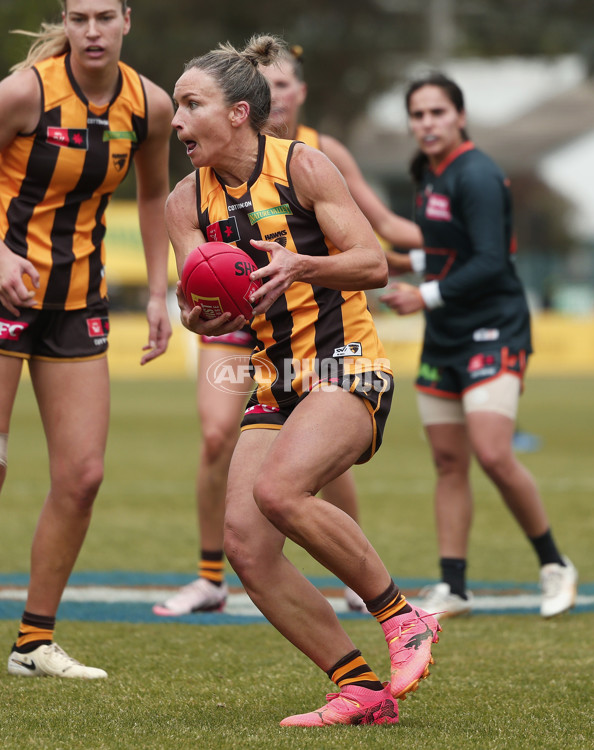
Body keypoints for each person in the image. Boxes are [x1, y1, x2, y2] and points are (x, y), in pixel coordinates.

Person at [166, 34, 441, 727]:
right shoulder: (183, 202)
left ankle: (404, 618)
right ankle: (360, 690)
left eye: (190, 105)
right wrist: (197, 314)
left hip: (348, 364)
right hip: (274, 380)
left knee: (278, 490)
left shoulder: (303, 166)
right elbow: (199, 310)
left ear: (237, 113)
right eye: (174, 106)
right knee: (246, 544)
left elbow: (373, 263)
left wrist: (302, 266)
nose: (175, 122)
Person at [0, 0, 173, 678]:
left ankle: (33, 644)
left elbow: (156, 196)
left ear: (128, 20)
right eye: (79, 18)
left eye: (105, 16)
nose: (92, 30)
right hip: (5, 291)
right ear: (65, 24)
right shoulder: (24, 93)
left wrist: (160, 293)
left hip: (77, 301)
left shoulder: (149, 106)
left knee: (83, 476)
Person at [381, 72, 577, 620]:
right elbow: (450, 249)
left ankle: (554, 563)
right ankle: (455, 586)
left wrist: (425, 295)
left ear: (459, 116)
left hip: (493, 327)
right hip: (446, 335)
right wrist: (409, 264)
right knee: (448, 461)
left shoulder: (478, 174)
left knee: (492, 453)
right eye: (417, 115)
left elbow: (491, 261)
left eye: (437, 112)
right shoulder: (430, 175)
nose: (427, 123)